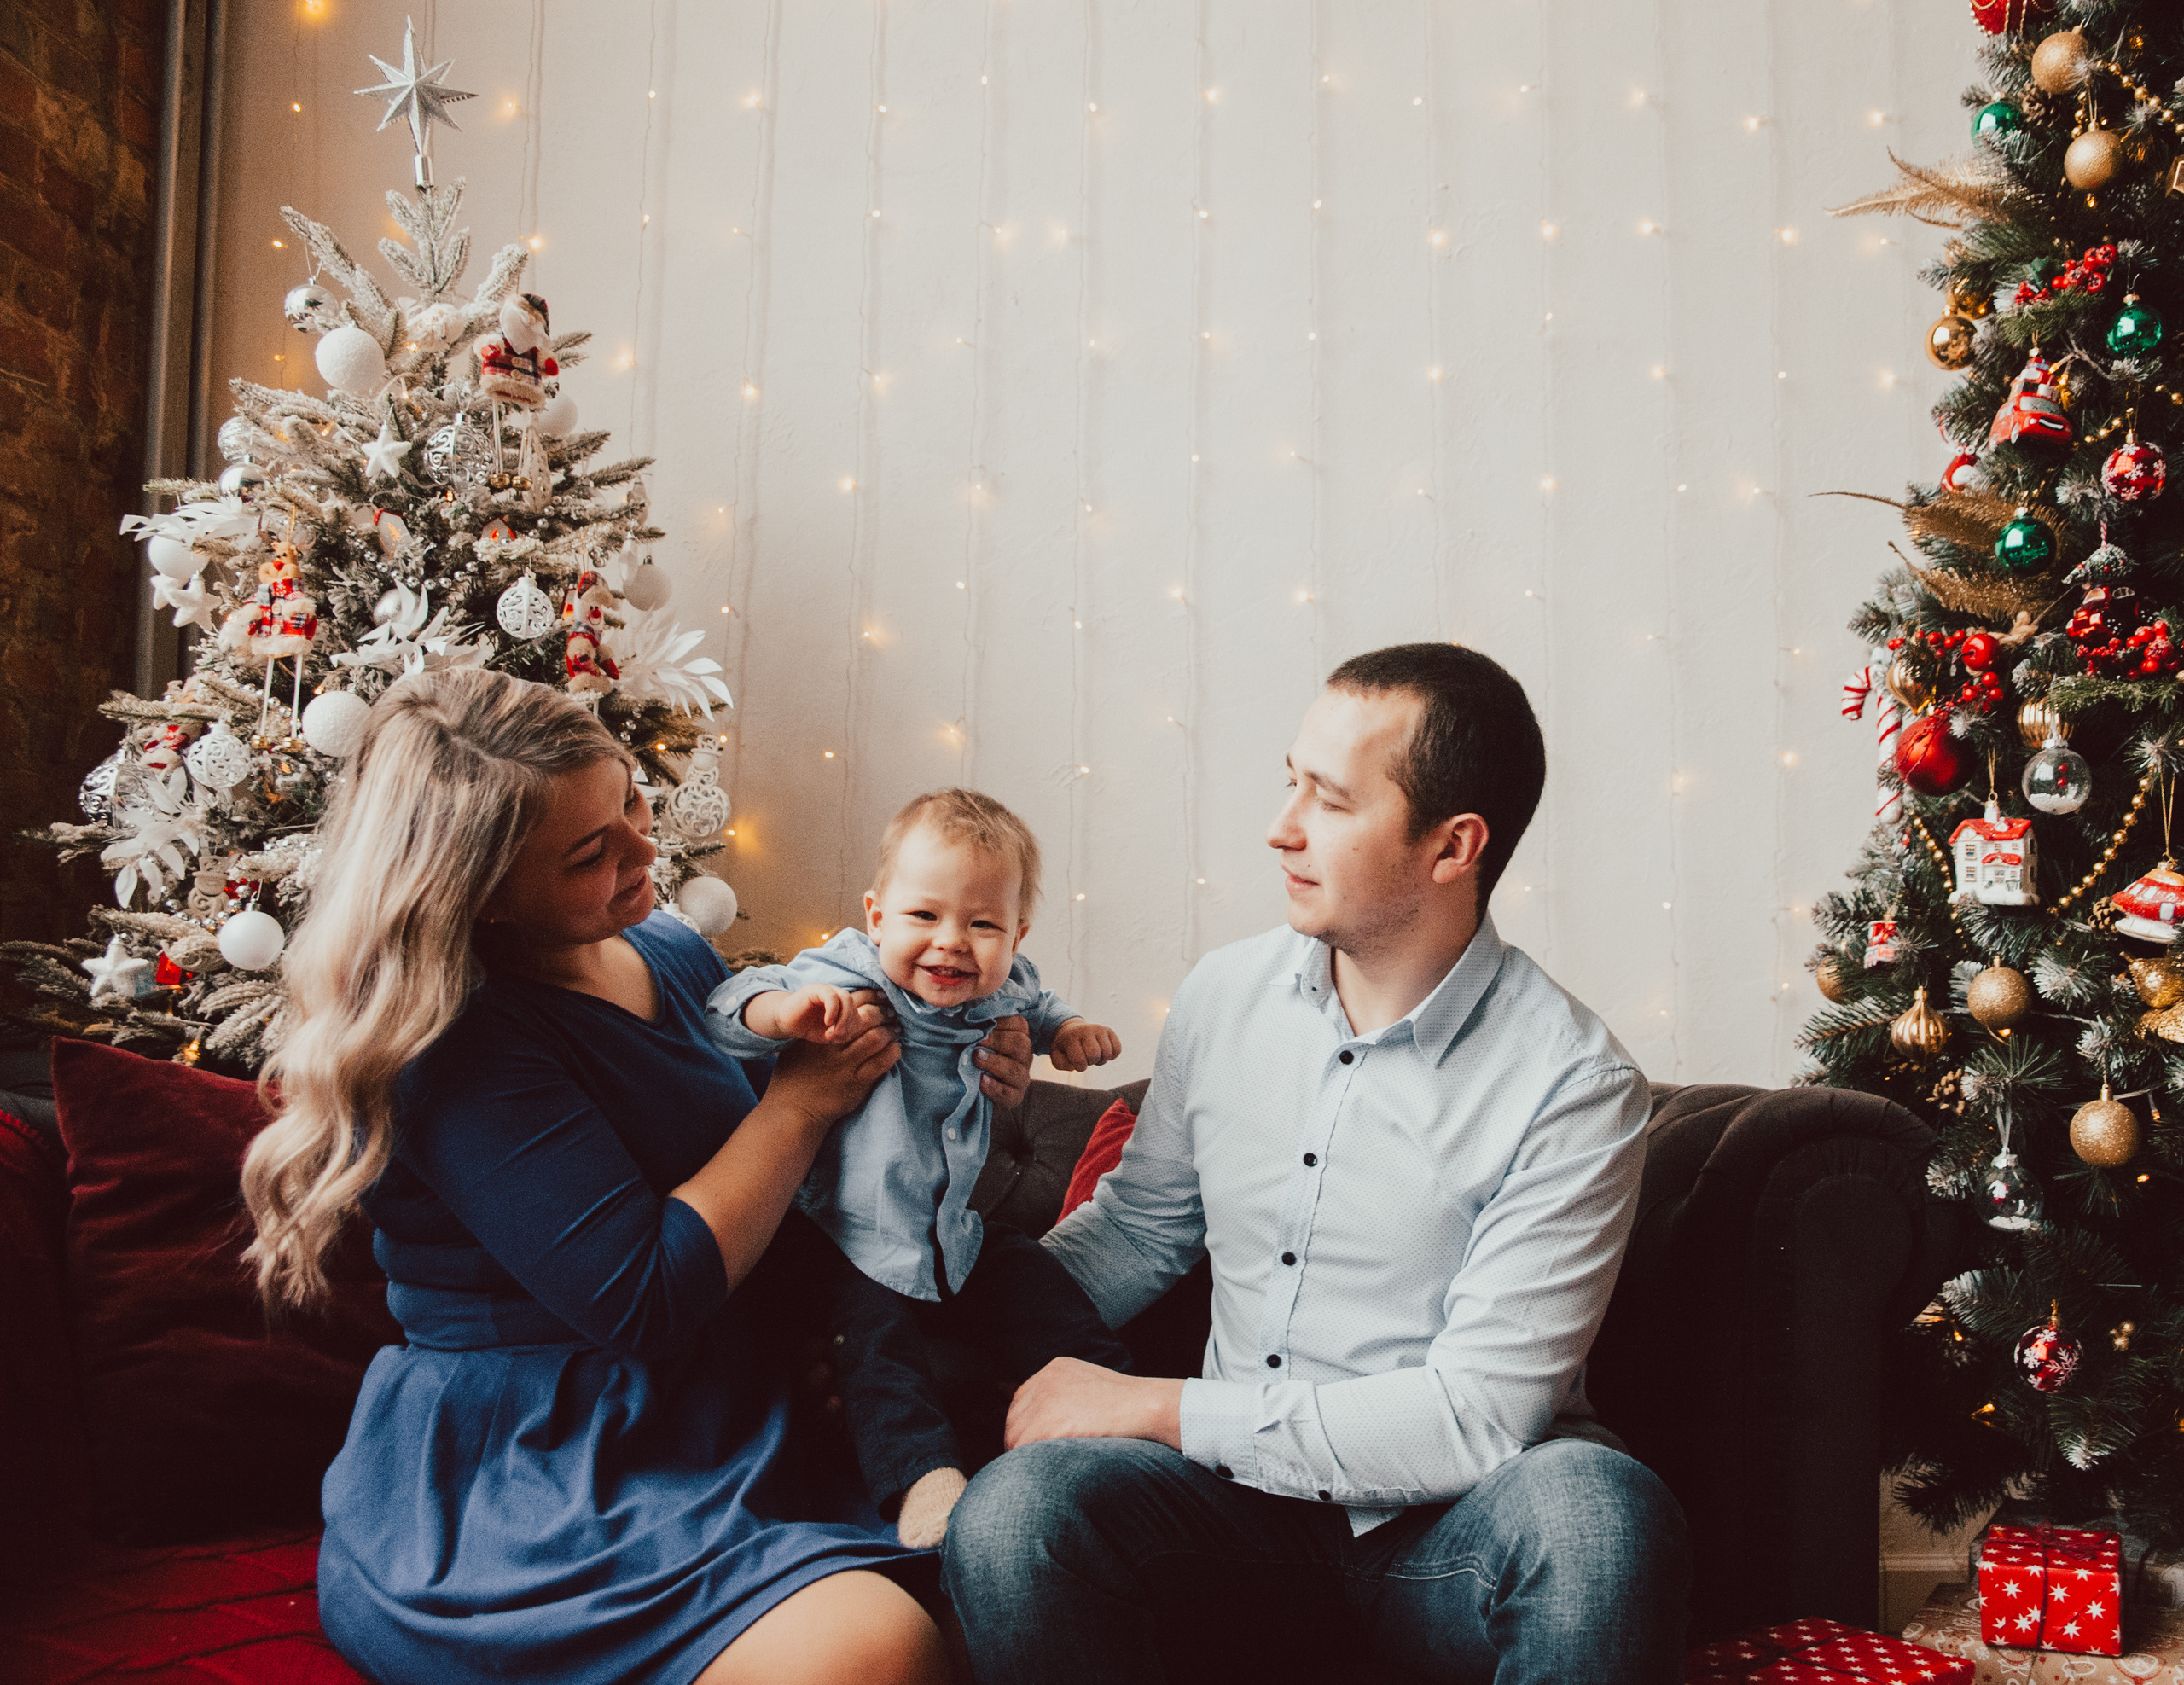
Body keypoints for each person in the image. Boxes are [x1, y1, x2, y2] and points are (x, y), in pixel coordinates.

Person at [238, 669, 1037, 1685]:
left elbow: (801, 1177)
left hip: (732, 1403)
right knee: (878, 1651)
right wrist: (799, 1103)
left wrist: (959, 1071)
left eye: (631, 802)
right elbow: (647, 1294)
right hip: (546, 1460)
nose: (644, 850)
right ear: (483, 895)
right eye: (590, 852)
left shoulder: (664, 946)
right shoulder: (458, 1045)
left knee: (1009, 1578)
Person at [943, 642, 1691, 1684]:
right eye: (1290, 780)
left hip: (1448, 1538)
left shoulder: (1572, 1081)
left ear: (1452, 846)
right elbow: (1140, 1231)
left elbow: (1476, 1414)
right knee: (1015, 1511)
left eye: (1330, 800)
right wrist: (929, 1314)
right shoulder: (1223, 995)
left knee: (1598, 1515)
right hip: (1224, 1522)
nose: (1281, 826)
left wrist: (1158, 1406)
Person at [706, 788, 1131, 1548]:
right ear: (877, 917)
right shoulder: (851, 970)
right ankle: (922, 1479)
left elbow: (1041, 1007)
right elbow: (728, 1004)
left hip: (951, 1231)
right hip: (843, 1231)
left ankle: (1123, 1405)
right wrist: (787, 1012)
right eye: (924, 915)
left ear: (1016, 934)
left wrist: (1070, 1031)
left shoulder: (1009, 985)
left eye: (982, 924)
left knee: (1032, 1278)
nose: (952, 943)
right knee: (874, 1335)